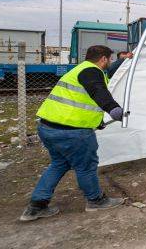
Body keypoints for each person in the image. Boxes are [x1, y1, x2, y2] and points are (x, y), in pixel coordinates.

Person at [20, 45, 126, 222]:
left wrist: (97, 122)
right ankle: (96, 200)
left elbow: (79, 101)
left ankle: (36, 206)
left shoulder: (79, 69)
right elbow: (97, 91)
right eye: (110, 59)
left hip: (47, 127)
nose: (110, 62)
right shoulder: (92, 72)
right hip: (71, 132)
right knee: (85, 166)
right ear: (103, 59)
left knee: (59, 163)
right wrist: (113, 109)